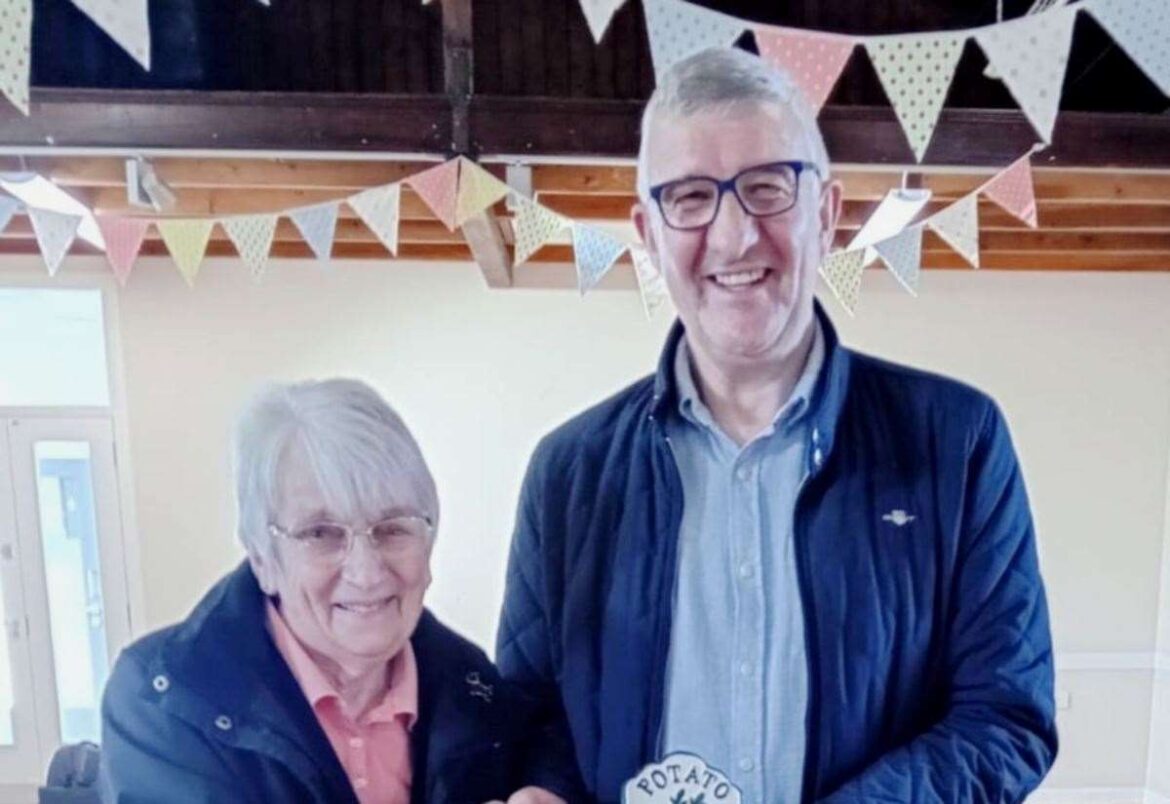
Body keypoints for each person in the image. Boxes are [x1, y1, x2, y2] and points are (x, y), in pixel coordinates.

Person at [497, 48, 1057, 803]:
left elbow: (1007, 718)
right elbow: (532, 721)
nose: (734, 238)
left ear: (825, 213)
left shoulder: (958, 442)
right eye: (691, 198)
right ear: (648, 232)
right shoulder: (568, 473)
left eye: (766, 188)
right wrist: (541, 788)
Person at [102, 379, 583, 804]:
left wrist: (543, 791)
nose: (367, 572)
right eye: (320, 533)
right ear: (263, 558)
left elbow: (547, 746)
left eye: (393, 528)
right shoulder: (165, 700)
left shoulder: (472, 685)